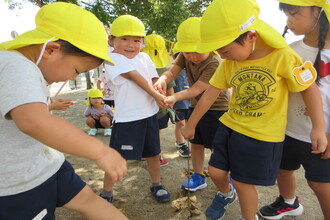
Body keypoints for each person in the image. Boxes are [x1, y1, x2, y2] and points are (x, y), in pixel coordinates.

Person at [179, 0, 327, 219]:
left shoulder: (283, 56)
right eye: (218, 51)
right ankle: (226, 195)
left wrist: (318, 127)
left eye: (226, 50)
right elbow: (210, 92)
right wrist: (191, 124)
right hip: (230, 126)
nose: (223, 55)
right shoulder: (229, 62)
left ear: (251, 36)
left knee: (242, 180)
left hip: (262, 135)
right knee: (217, 172)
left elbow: (309, 89)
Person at [0, 2, 127, 220]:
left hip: (47, 166)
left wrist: (48, 106)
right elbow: (33, 121)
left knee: (90, 201)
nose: (72, 78)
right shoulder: (16, 64)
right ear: (51, 49)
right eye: (77, 70)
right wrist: (101, 151)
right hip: (17, 184)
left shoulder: (25, 67)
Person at [259, 1, 330, 219]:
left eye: (295, 13)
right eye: (286, 14)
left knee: (319, 183)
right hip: (286, 130)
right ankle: (288, 202)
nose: (288, 21)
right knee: (284, 168)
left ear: (318, 12)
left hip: (321, 136)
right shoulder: (290, 50)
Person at [154, 17, 231, 192]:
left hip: (217, 109)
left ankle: (226, 176)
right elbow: (172, 72)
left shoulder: (214, 63)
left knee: (216, 146)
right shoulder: (185, 55)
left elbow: (196, 90)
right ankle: (198, 175)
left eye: (196, 51)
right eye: (186, 52)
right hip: (195, 106)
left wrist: (174, 98)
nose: (191, 56)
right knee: (196, 143)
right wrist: (162, 80)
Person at [101, 15, 171, 203]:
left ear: (142, 42)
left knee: (154, 154)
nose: (131, 45)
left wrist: (160, 89)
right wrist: (157, 96)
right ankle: (106, 192)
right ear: (111, 40)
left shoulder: (145, 56)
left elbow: (153, 77)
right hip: (127, 119)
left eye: (136, 40)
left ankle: (156, 184)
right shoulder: (111, 58)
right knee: (117, 158)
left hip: (149, 116)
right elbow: (134, 76)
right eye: (124, 39)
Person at [143, 33, 176, 166]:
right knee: (157, 133)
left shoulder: (140, 66)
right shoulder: (165, 67)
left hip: (143, 108)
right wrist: (171, 103)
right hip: (160, 108)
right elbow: (170, 88)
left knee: (145, 131)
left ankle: (144, 153)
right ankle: (156, 155)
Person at [172, 58, 190, 158]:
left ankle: (183, 142)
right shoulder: (173, 70)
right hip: (178, 103)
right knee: (180, 124)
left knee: (187, 122)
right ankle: (180, 143)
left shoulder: (193, 69)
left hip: (191, 102)